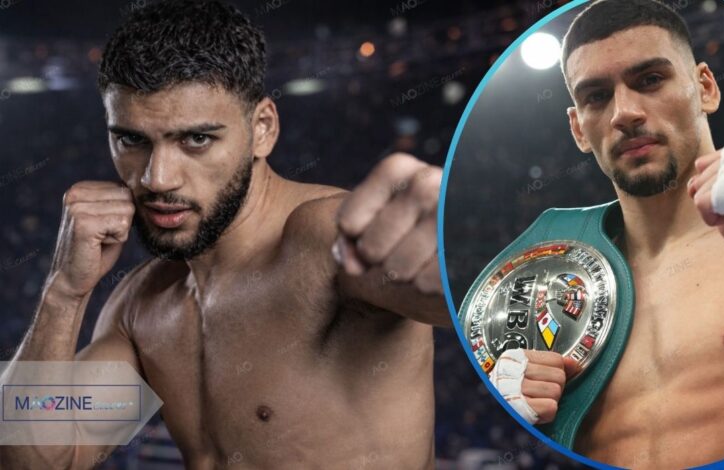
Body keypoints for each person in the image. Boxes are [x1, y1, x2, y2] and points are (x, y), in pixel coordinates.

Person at [0, 1, 448, 468]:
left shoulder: (322, 241)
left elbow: (442, 286)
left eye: (196, 140)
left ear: (262, 129)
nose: (157, 178)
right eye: (132, 140)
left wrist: (457, 245)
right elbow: (40, 460)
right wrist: (65, 291)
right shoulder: (142, 305)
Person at [487, 0, 724, 468]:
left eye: (650, 80)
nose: (624, 112)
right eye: (597, 96)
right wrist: (506, 406)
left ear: (705, 87)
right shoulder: (550, 288)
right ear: (578, 128)